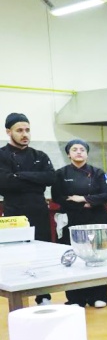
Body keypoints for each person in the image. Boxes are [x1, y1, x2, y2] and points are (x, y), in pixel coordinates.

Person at [0, 112, 56, 305]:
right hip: (14, 212)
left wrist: (19, 175)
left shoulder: (39, 155)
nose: (25, 134)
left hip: (38, 209)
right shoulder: (2, 155)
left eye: (27, 130)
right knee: (16, 255)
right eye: (19, 130)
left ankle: (44, 296)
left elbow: (50, 178)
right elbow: (4, 183)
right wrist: (33, 178)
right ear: (9, 132)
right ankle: (19, 297)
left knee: (42, 253)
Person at [51, 139, 107, 308]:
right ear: (68, 154)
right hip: (72, 220)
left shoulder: (98, 173)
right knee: (74, 257)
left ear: (86, 153)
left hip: (96, 219)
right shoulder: (61, 174)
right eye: (74, 149)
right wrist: (80, 204)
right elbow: (57, 196)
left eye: (82, 149)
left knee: (97, 257)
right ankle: (75, 298)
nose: (78, 152)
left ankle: (99, 296)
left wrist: (86, 199)